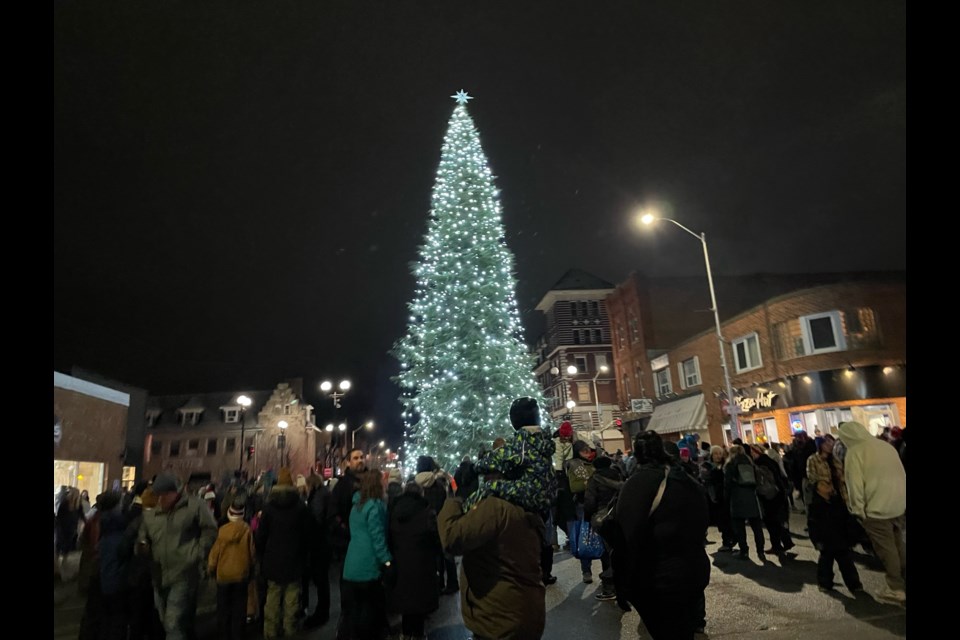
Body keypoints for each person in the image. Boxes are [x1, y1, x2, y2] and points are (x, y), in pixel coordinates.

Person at [611, 430, 710, 640]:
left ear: (637, 455)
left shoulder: (638, 484)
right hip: (693, 568)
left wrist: (621, 581)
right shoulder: (686, 479)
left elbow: (627, 536)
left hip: (659, 576)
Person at [438, 476, 546, 639]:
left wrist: (452, 500)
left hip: (499, 616)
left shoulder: (495, 507)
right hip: (523, 609)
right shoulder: (525, 503)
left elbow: (451, 539)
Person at [138, 473, 218, 640]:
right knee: (173, 620)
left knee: (172, 623)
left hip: (184, 572)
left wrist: (197, 552)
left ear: (173, 492)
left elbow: (210, 530)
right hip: (159, 574)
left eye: (163, 495)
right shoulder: (151, 512)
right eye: (157, 495)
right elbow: (143, 534)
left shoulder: (195, 505)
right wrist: (142, 545)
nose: (160, 500)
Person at [838, 421, 907, 603]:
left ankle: (895, 587)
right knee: (898, 544)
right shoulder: (885, 446)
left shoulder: (855, 452)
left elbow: (855, 486)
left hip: (876, 508)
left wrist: (857, 509)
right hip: (897, 505)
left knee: (887, 549)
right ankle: (901, 579)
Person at [255, 467, 312, 640]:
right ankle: (290, 630)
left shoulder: (269, 508)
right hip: (294, 560)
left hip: (273, 560)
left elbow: (261, 535)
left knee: (272, 598)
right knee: (292, 599)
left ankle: (270, 631)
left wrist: (261, 555)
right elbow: (306, 535)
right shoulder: (300, 507)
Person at [387, 481, 441, 640]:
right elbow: (435, 539)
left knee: (406, 603)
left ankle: (405, 633)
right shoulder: (426, 511)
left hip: (400, 562)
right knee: (419, 604)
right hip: (422, 563)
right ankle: (417, 634)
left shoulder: (394, 510)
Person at [342, 469, 393, 640]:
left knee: (354, 613)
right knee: (369, 613)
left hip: (351, 565)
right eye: (382, 481)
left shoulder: (356, 505)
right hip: (367, 566)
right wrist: (387, 561)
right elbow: (377, 537)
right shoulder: (374, 506)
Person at [208, 500, 256, 640]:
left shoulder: (222, 531)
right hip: (241, 575)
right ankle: (238, 635)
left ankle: (224, 634)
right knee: (239, 609)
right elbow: (252, 553)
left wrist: (211, 569)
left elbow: (214, 554)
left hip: (223, 576)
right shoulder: (247, 530)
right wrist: (252, 569)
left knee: (223, 609)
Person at [807, 479, 863, 593]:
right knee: (825, 564)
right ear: (817, 490)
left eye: (828, 484)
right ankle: (825, 584)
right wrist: (816, 541)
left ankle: (854, 584)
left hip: (840, 538)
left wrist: (851, 535)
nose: (827, 486)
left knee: (847, 563)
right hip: (826, 540)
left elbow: (846, 519)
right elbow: (813, 525)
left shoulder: (837, 502)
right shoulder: (815, 505)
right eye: (823, 484)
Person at [415, 455, 460, 595]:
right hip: (440, 520)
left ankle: (436, 583)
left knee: (432, 555)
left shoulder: (414, 484)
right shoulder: (438, 484)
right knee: (445, 553)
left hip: (423, 523)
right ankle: (451, 583)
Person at [583, 454, 623, 601]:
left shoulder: (594, 479)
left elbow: (589, 502)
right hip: (619, 516)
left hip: (602, 519)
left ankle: (609, 588)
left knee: (606, 554)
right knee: (619, 550)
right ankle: (622, 584)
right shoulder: (618, 476)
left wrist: (588, 517)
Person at [748, 444, 795, 557]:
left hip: (770, 496)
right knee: (778, 520)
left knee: (772, 522)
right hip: (778, 493)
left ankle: (777, 545)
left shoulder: (759, 464)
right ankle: (784, 543)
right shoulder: (769, 460)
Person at [723, 445, 767, 562]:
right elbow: (758, 480)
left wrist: (726, 499)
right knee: (756, 526)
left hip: (737, 498)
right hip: (752, 497)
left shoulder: (730, 465)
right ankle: (760, 550)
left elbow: (727, 484)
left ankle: (744, 551)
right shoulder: (750, 464)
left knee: (740, 527)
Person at [565, 439, 597, 583]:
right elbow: (575, 487)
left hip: (598, 504)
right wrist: (592, 483)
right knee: (585, 537)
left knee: (602, 538)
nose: (588, 453)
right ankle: (586, 570)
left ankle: (607, 575)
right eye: (585, 450)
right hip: (582, 505)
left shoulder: (595, 462)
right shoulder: (574, 465)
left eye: (589, 450)